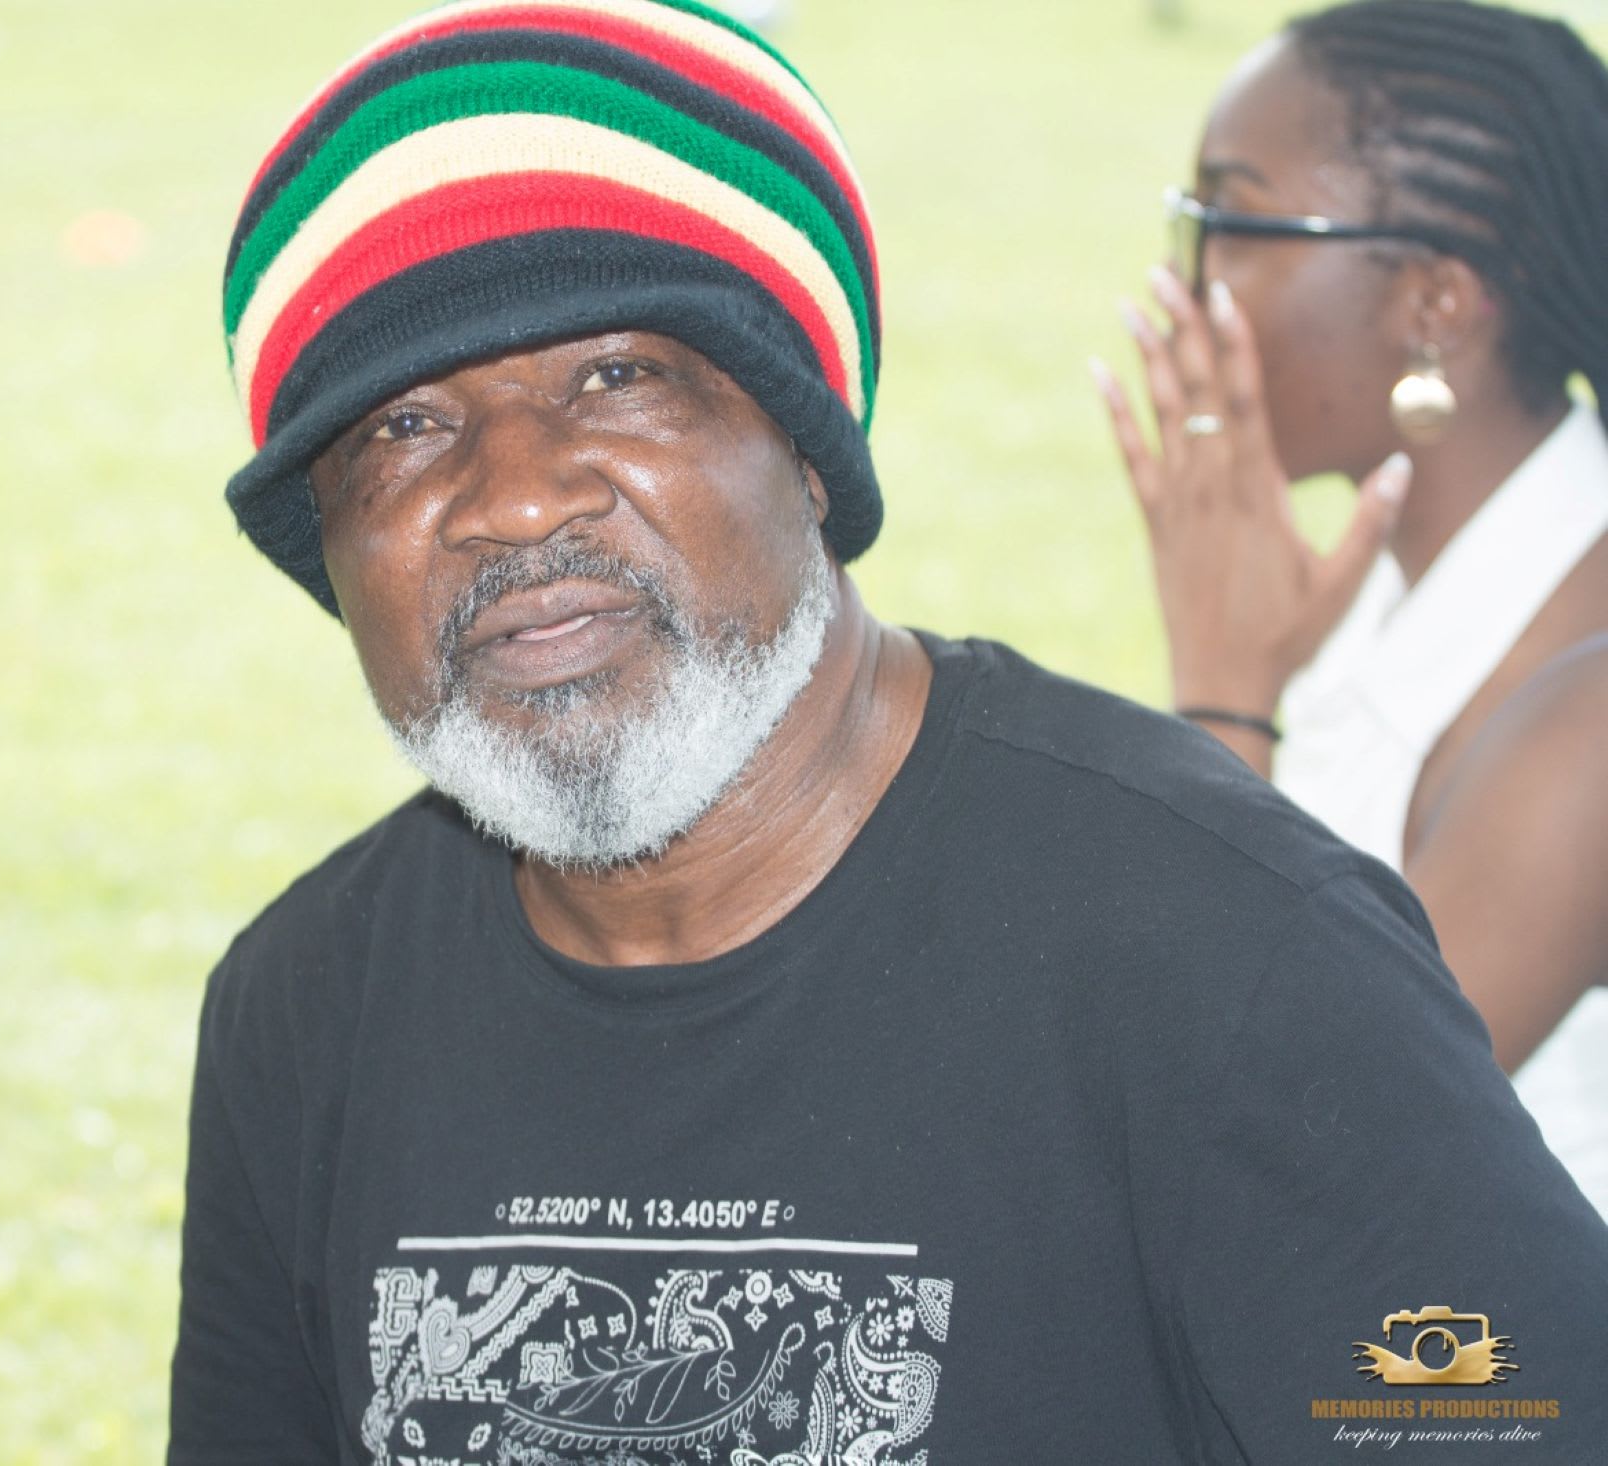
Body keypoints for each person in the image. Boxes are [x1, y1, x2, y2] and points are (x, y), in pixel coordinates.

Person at [174, 3, 1608, 1461]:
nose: (518, 496)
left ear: (807, 444)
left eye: (617, 375)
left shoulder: (1237, 958)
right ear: (328, 551)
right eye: (402, 427)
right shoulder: (306, 1009)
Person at [1093, 0, 1608, 1224]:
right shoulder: (1375, 576)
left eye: (1229, 222)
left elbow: (1270, 1149)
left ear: (1433, 305)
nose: (1184, 281)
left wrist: (1224, 696)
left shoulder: (1583, 708)